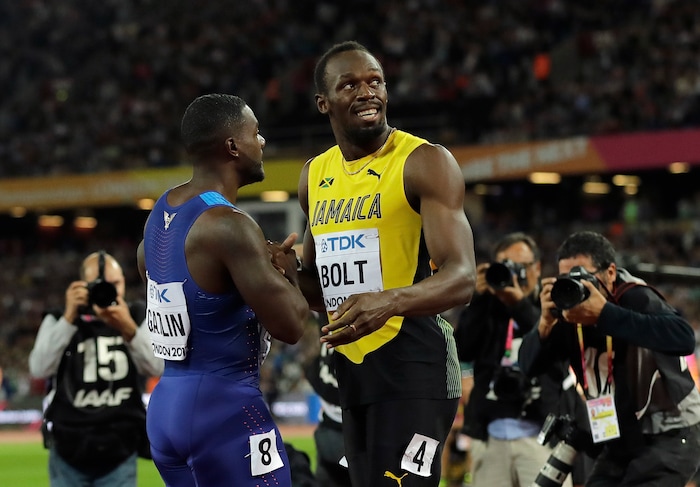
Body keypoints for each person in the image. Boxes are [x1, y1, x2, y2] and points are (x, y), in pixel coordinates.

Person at [295, 40, 477, 486]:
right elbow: (320, 293)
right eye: (350, 84)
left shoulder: (424, 162)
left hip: (416, 366)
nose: (367, 91)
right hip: (353, 374)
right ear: (324, 102)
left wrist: (389, 301)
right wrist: (288, 272)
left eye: (375, 81)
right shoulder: (314, 175)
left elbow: (462, 278)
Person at [136, 93, 309, 487]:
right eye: (256, 133)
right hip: (226, 409)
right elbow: (292, 326)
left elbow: (148, 267)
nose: (262, 142)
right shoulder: (228, 224)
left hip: (166, 410)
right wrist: (288, 271)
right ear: (232, 146)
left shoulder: (160, 213)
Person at [519, 230, 700, 487]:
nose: (575, 285)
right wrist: (544, 325)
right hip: (619, 437)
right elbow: (528, 366)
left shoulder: (635, 297)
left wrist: (604, 314)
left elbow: (683, 338)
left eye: (582, 275)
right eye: (566, 277)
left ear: (610, 273)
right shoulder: (567, 313)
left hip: (669, 434)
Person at [28, 250, 164, 487]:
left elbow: (156, 367)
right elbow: (39, 369)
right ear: (81, 286)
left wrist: (129, 329)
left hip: (120, 450)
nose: (108, 290)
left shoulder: (137, 316)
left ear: (123, 281)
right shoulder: (59, 318)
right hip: (68, 450)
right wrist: (69, 318)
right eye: (99, 285)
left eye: (115, 283)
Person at [453, 232, 574, 487]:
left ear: (537, 267)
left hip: (542, 436)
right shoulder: (487, 308)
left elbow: (556, 351)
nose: (515, 274)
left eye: (522, 267)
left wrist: (519, 304)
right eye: (506, 267)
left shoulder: (552, 303)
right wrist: (477, 299)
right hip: (490, 438)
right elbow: (461, 350)